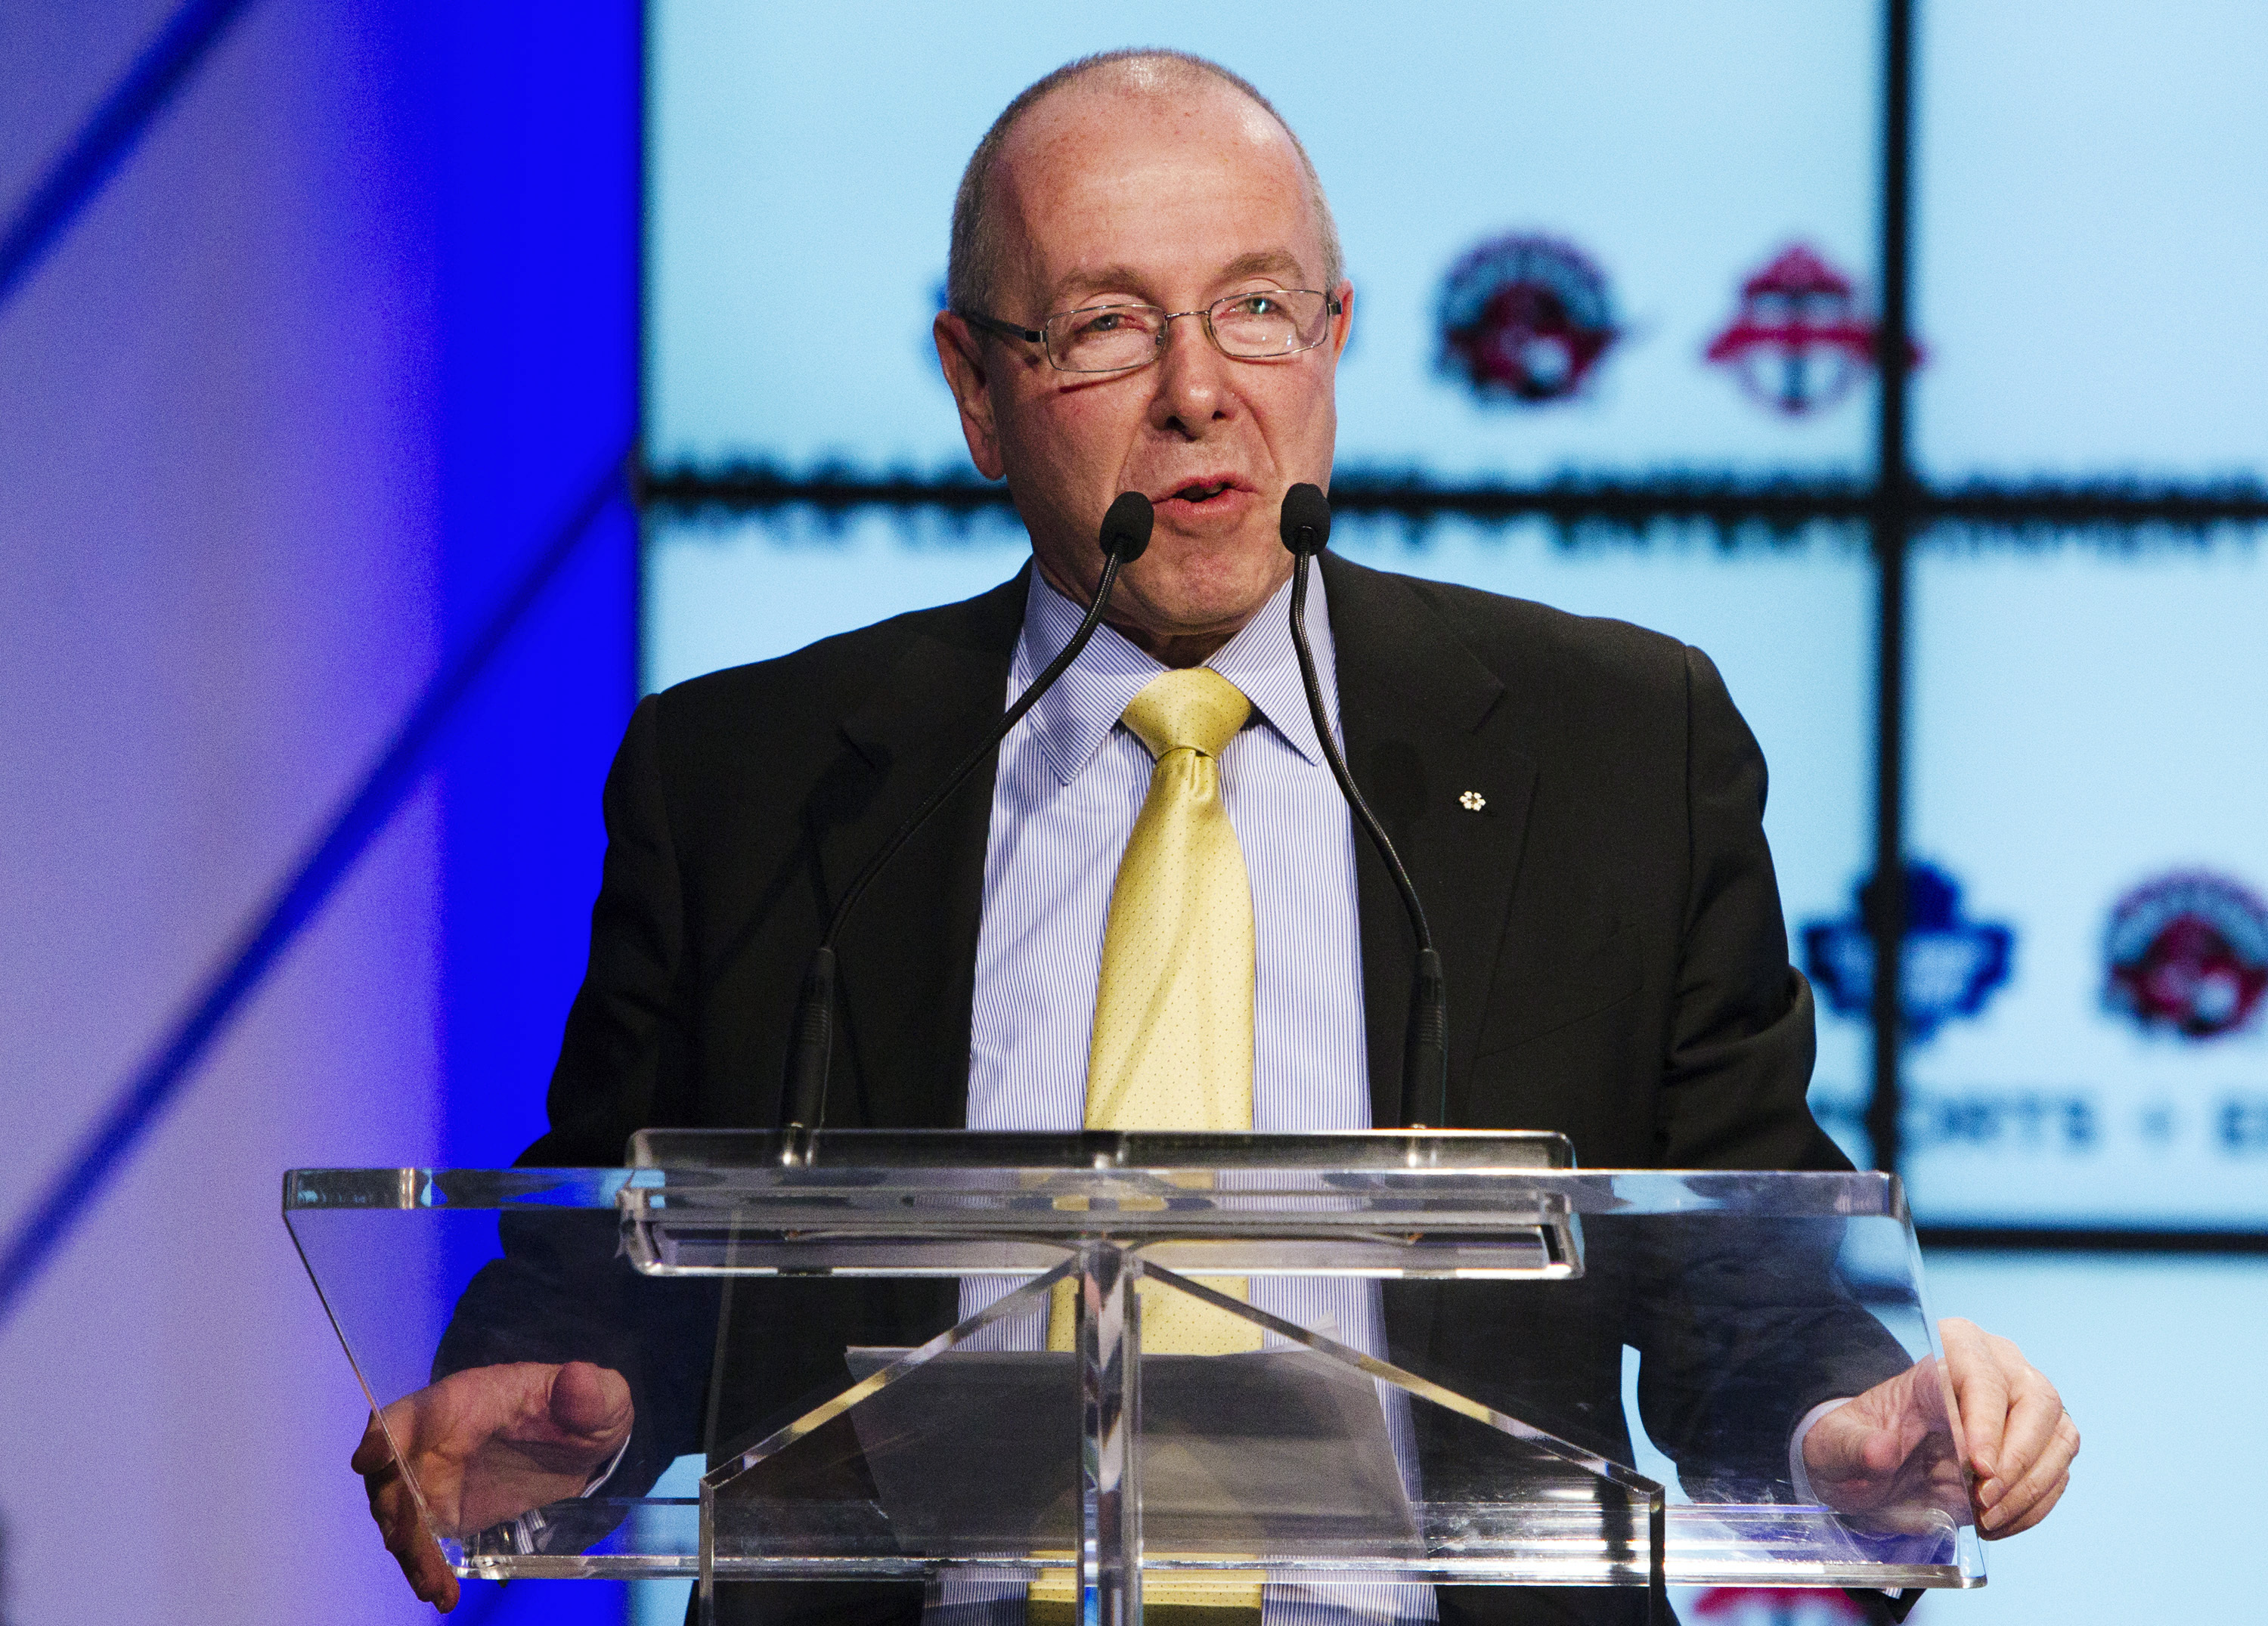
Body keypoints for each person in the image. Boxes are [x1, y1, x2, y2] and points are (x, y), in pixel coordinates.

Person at [355, 49, 2077, 1624]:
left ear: (1334, 340)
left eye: (1256, 309)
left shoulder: (1616, 747)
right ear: (974, 384)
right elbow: (619, 1261)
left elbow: (1739, 1277)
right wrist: (540, 1399)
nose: (1198, 393)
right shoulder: (752, 773)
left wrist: (1853, 1427)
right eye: (1105, 323)